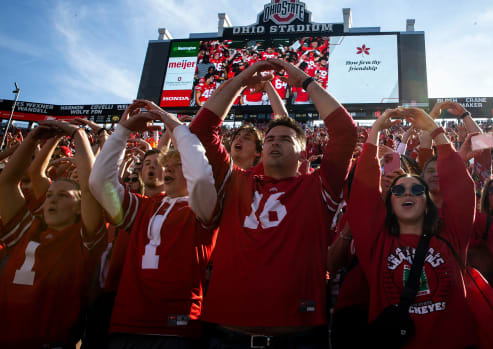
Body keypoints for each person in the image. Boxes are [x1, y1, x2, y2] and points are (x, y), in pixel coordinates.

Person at [189, 58, 356, 348]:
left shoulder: (319, 187)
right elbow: (202, 130)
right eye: (269, 138)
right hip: (225, 336)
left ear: (303, 153)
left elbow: (345, 131)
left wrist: (304, 80)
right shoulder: (234, 180)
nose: (274, 142)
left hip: (298, 338)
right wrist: (241, 80)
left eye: (286, 139)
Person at [88, 101, 218, 348]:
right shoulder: (144, 206)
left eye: (176, 165)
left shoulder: (202, 207)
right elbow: (99, 182)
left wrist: (176, 126)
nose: (167, 170)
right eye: (166, 166)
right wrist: (122, 132)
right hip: (125, 325)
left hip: (176, 331)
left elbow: (201, 177)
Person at [347, 107, 478, 348]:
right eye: (398, 190)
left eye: (418, 190)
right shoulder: (376, 244)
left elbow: (461, 185)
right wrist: (375, 131)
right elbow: (363, 193)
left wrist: (435, 130)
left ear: (428, 201)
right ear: (389, 201)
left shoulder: (451, 235)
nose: (408, 193)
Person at [0, 120, 106, 347]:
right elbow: (6, 184)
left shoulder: (84, 240)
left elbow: (89, 187)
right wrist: (33, 138)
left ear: (79, 207)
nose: (52, 199)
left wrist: (78, 134)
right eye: (49, 195)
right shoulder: (26, 230)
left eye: (63, 196)